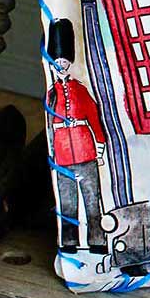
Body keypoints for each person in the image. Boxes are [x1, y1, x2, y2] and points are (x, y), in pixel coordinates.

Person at [45, 18, 106, 252]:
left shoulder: (79, 89)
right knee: (68, 201)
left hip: (85, 149)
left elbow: (93, 117)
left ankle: (97, 240)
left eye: (64, 61)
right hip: (61, 153)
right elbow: (50, 126)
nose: (61, 65)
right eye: (57, 61)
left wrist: (99, 146)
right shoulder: (52, 94)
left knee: (92, 199)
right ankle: (69, 240)